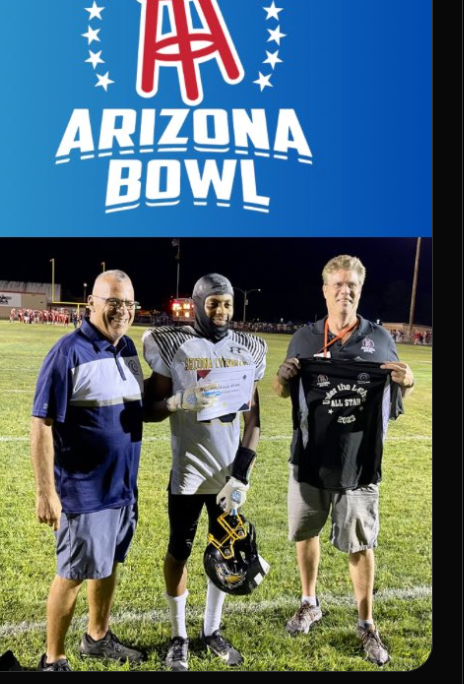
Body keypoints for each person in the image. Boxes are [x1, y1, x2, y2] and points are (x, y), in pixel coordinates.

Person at [273, 255, 414, 666]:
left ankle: (366, 623)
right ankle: (309, 602)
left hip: (359, 461)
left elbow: (395, 397)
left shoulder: (381, 340)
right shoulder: (303, 338)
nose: (344, 291)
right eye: (336, 284)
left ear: (360, 289)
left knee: (360, 543)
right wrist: (283, 379)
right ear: (324, 289)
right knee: (306, 532)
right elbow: (284, 392)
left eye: (351, 284)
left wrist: (409, 380)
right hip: (309, 457)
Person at [142, 274, 266, 671]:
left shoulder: (247, 348)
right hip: (188, 473)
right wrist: (179, 401)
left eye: (227, 304)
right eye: (214, 303)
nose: (222, 311)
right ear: (198, 304)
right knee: (179, 550)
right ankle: (178, 635)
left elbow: (254, 422)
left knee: (225, 553)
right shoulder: (171, 343)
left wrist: (241, 476)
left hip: (227, 477)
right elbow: (150, 410)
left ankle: (211, 630)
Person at [30, 271, 145, 671]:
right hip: (84, 489)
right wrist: (47, 492)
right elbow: (41, 423)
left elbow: (138, 409)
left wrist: (186, 402)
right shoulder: (68, 353)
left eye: (129, 303)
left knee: (108, 563)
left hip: (122, 486)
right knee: (74, 571)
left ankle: (97, 636)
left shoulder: (128, 348)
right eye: (113, 302)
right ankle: (54, 658)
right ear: (91, 305)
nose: (122, 311)